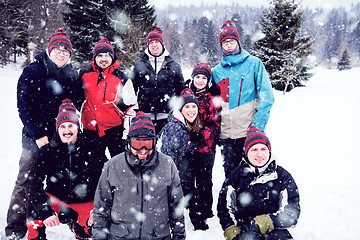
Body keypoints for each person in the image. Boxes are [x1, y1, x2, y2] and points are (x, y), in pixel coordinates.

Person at [6, 28, 83, 240]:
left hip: (61, 136)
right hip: (35, 138)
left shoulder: (70, 74)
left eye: (66, 51)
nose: (61, 53)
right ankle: (15, 228)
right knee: (27, 180)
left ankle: (74, 220)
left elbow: (75, 103)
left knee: (66, 177)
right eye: (57, 49)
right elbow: (24, 107)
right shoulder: (33, 72)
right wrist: (39, 135)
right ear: (49, 50)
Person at [92, 112, 186, 240]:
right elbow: (101, 209)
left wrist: (179, 236)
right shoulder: (112, 166)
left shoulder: (166, 164)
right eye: (137, 143)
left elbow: (177, 207)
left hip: (157, 236)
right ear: (129, 142)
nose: (143, 150)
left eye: (148, 143)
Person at [25, 99, 107, 240]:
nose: (67, 130)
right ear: (58, 129)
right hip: (56, 203)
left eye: (71, 126)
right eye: (63, 126)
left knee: (99, 226)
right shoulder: (47, 151)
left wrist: (100, 208)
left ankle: (81, 230)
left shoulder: (93, 148)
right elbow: (31, 184)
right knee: (32, 204)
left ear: (78, 128)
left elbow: (107, 180)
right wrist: (44, 210)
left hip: (84, 204)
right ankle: (36, 237)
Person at [211, 20, 275, 177]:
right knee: (232, 178)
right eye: (225, 42)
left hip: (249, 133)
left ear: (238, 42)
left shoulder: (254, 63)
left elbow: (267, 98)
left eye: (232, 41)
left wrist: (257, 127)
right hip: (227, 136)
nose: (229, 45)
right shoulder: (216, 71)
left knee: (254, 178)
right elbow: (211, 103)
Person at [217, 127, 300, 240]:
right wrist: (232, 231)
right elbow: (225, 208)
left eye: (263, 149)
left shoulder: (282, 176)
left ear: (269, 151)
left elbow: (291, 212)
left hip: (274, 229)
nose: (259, 154)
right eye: (254, 149)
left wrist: (264, 222)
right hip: (244, 230)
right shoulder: (235, 176)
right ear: (247, 152)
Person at [80, 37, 137, 158]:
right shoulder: (83, 75)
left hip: (114, 130)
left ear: (112, 57)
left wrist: (126, 134)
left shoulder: (122, 78)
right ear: (94, 57)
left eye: (107, 55)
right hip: (90, 131)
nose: (104, 59)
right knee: (93, 169)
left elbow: (131, 108)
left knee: (120, 167)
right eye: (100, 55)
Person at [157, 88, 204, 230]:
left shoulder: (187, 125)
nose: (191, 110)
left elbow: (182, 150)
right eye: (187, 107)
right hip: (165, 170)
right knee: (186, 189)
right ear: (180, 109)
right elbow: (168, 157)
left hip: (178, 166)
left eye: (194, 106)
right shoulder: (175, 127)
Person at [184, 63, 221, 229]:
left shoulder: (212, 99)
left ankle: (206, 210)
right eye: (197, 77)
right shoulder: (186, 94)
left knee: (204, 180)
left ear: (208, 80)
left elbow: (216, 125)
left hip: (206, 148)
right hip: (188, 147)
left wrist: (200, 133)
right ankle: (193, 207)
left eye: (204, 78)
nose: (200, 80)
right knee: (188, 179)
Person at [131, 27, 185, 133]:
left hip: (167, 117)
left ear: (162, 44)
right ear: (148, 45)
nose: (154, 45)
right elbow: (131, 91)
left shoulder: (174, 66)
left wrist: (177, 111)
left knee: (165, 148)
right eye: (151, 42)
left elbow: (181, 91)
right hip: (145, 117)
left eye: (156, 42)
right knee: (146, 148)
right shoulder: (139, 65)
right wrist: (137, 110)